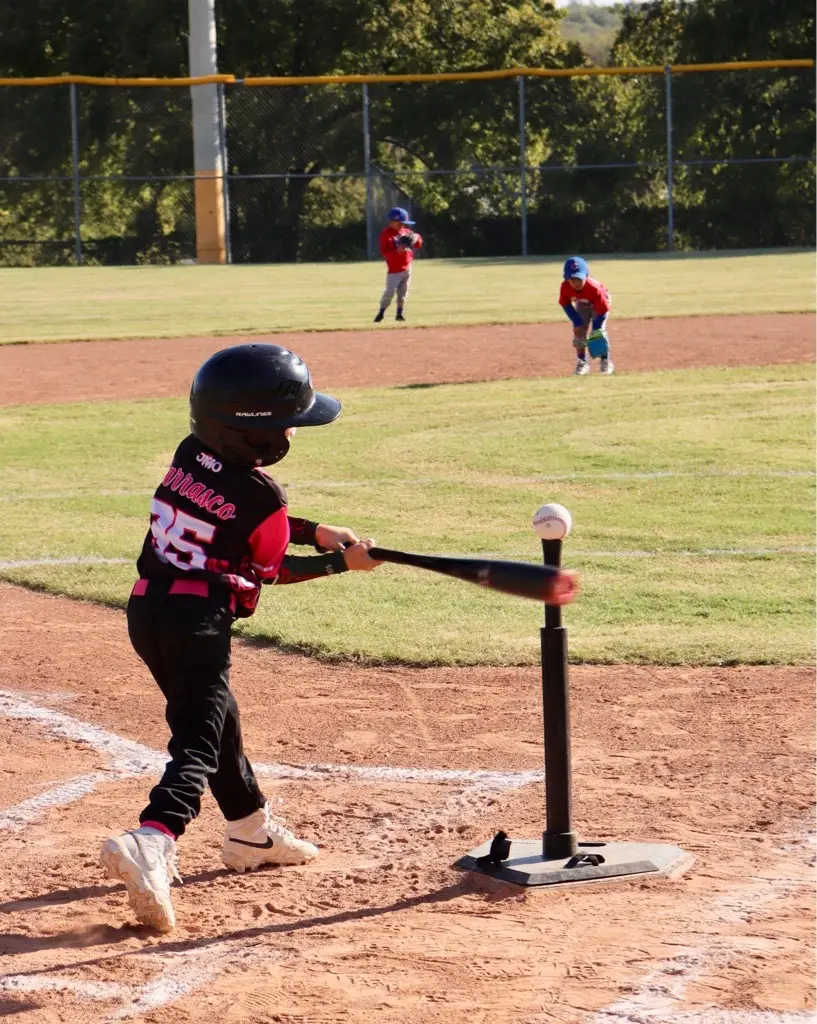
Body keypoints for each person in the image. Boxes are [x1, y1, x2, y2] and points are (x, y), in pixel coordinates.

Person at [100, 343, 382, 933]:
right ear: (257, 434)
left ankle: (250, 830)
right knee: (198, 741)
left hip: (148, 611)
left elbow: (233, 517)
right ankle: (154, 837)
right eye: (288, 423)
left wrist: (315, 530)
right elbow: (273, 568)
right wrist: (340, 563)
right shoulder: (264, 498)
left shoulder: (191, 453)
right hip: (197, 623)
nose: (294, 432)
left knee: (218, 719)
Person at [559, 256, 614, 376]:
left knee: (598, 333)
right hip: (582, 304)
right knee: (579, 332)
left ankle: (605, 361)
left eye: (579, 279)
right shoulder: (565, 287)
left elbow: (603, 309)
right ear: (566, 279)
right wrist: (577, 322)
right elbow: (565, 304)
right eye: (572, 279)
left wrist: (596, 328)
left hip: (600, 305)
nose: (575, 283)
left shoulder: (594, 288)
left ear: (586, 276)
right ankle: (582, 362)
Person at [373, 206, 423, 323]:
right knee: (389, 293)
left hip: (407, 268)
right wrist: (397, 252)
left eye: (403, 223)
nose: (402, 225)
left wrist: (417, 238)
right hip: (394, 270)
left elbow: (418, 243)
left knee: (403, 293)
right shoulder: (386, 234)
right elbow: (384, 252)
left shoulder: (406, 232)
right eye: (399, 222)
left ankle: (399, 314)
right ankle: (381, 313)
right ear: (391, 221)